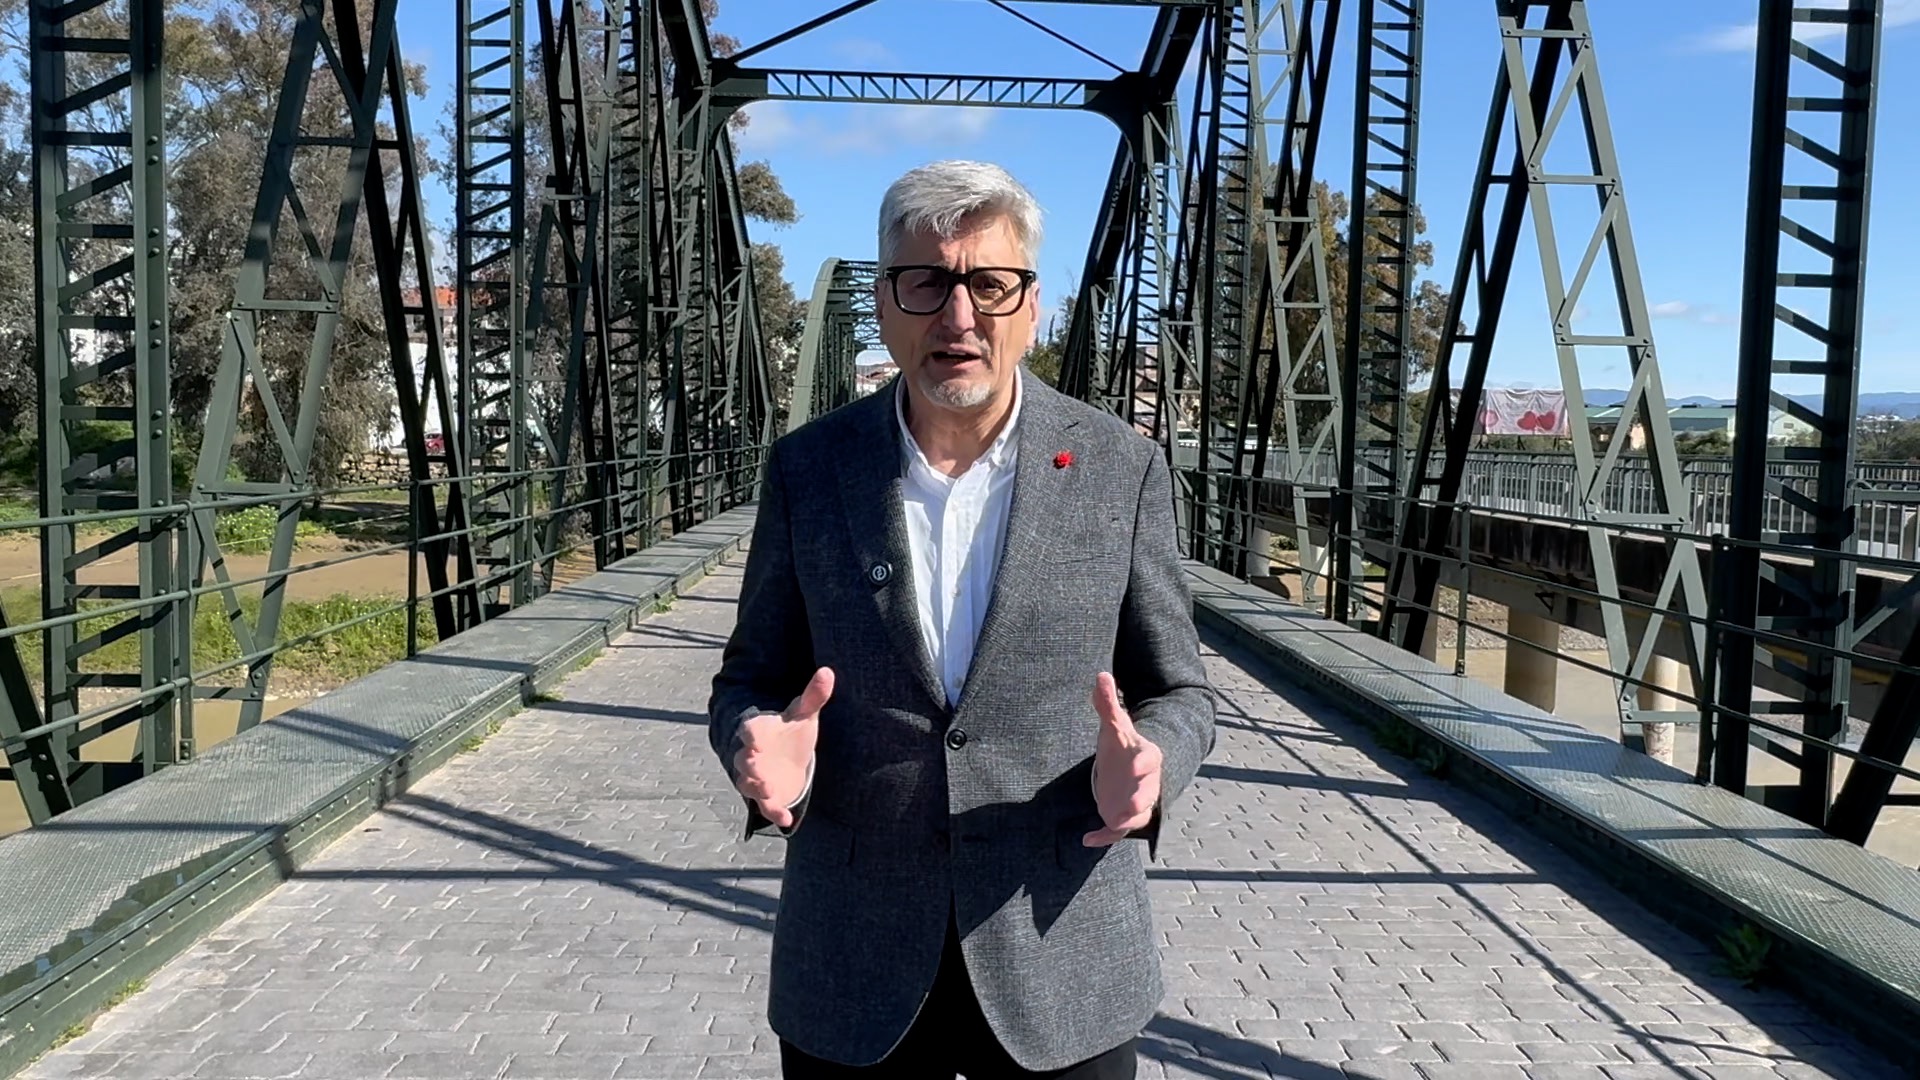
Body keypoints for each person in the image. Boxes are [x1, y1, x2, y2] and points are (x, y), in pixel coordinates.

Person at [707, 159, 1216, 1079]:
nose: (959, 315)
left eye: (991, 283)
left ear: (1033, 306)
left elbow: (1179, 688)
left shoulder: (1121, 469)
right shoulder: (808, 470)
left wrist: (1155, 764)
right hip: (852, 961)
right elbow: (750, 676)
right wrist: (753, 741)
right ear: (883, 301)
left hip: (1063, 958)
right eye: (925, 282)